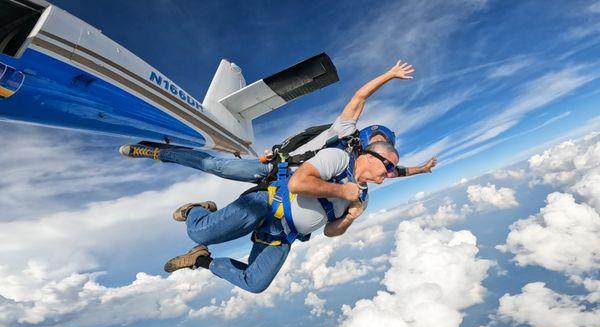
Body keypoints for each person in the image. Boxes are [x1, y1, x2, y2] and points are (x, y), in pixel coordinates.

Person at [118, 60, 437, 183]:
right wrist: (390, 75)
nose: (385, 169)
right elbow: (358, 99)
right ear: (372, 147)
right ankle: (156, 151)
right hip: (274, 168)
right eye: (385, 160)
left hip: (287, 186)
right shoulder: (345, 134)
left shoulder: (369, 166)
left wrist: (421, 169)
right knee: (216, 167)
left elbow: (396, 171)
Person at [163, 141, 399, 293]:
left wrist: (350, 218)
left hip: (283, 235)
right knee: (198, 232)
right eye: (389, 167)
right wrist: (341, 191)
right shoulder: (339, 160)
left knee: (255, 283)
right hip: (266, 204)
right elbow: (298, 183)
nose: (389, 175)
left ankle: (200, 259)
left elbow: (329, 232)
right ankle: (196, 209)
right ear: (369, 157)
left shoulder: (362, 199)